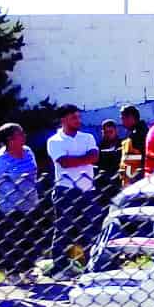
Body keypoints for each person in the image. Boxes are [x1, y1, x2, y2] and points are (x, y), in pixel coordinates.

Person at [45, 105, 99, 275]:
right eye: (73, 117)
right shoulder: (54, 140)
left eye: (78, 117)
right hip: (65, 190)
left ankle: (92, 265)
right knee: (63, 229)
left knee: (91, 228)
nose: (78, 120)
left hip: (87, 189)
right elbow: (64, 162)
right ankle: (59, 267)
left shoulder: (88, 137)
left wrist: (77, 160)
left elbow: (94, 157)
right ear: (64, 120)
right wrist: (84, 159)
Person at [0, 123, 41, 281]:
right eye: (20, 134)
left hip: (31, 203)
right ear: (10, 140)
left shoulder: (28, 151)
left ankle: (28, 268)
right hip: (10, 207)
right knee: (12, 240)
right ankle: (12, 272)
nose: (24, 136)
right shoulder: (0, 161)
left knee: (29, 239)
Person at [118, 106, 148, 186]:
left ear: (130, 118)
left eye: (123, 118)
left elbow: (142, 158)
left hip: (136, 181)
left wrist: (132, 176)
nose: (122, 122)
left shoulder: (139, 134)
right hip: (131, 178)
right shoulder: (133, 133)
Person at [96, 119, 123, 201]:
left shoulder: (123, 145)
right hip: (104, 185)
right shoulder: (98, 148)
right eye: (105, 132)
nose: (108, 134)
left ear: (116, 131)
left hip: (120, 182)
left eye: (110, 132)